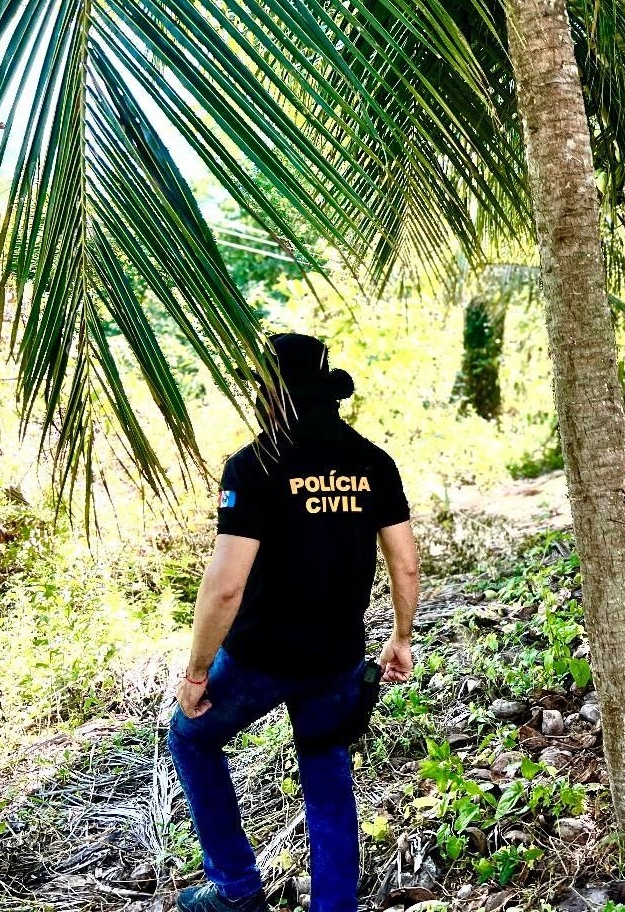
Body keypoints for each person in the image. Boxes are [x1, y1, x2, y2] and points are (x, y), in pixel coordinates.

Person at [168, 333, 420, 912]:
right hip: (336, 657)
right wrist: (401, 638)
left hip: (259, 657)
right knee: (327, 775)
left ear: (271, 395)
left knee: (190, 737)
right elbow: (405, 564)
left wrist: (197, 672)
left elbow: (225, 586)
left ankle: (236, 888)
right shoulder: (373, 462)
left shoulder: (253, 466)